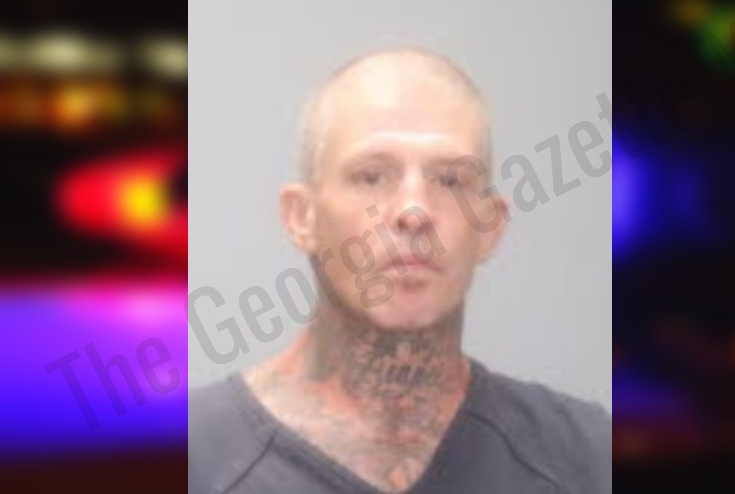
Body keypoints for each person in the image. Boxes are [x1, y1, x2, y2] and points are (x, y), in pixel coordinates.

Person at [189, 48, 611, 494]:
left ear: (489, 227)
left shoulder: (586, 459)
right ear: (302, 217)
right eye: (371, 176)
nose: (414, 211)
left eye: (450, 180)